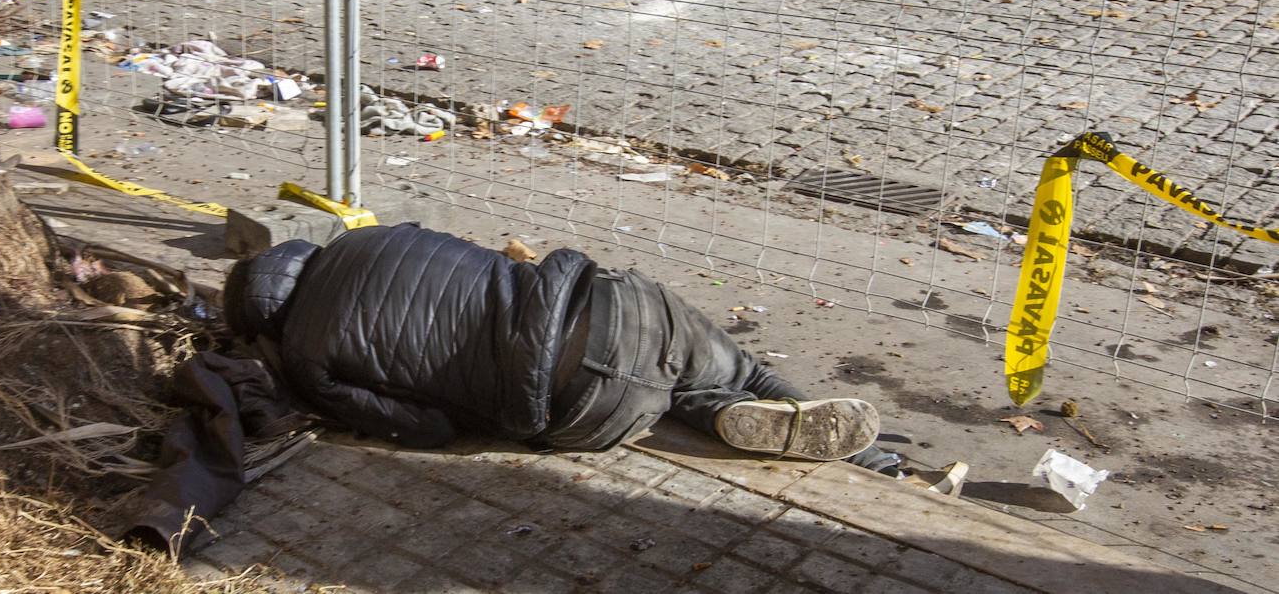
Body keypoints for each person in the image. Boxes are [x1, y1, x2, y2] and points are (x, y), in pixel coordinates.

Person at [222, 222, 905, 472]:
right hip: (620, 309)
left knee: (653, 395)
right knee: (737, 366)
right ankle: (874, 460)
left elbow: (424, 426)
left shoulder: (308, 356)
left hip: (581, 405)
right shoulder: (372, 235)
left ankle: (709, 413)